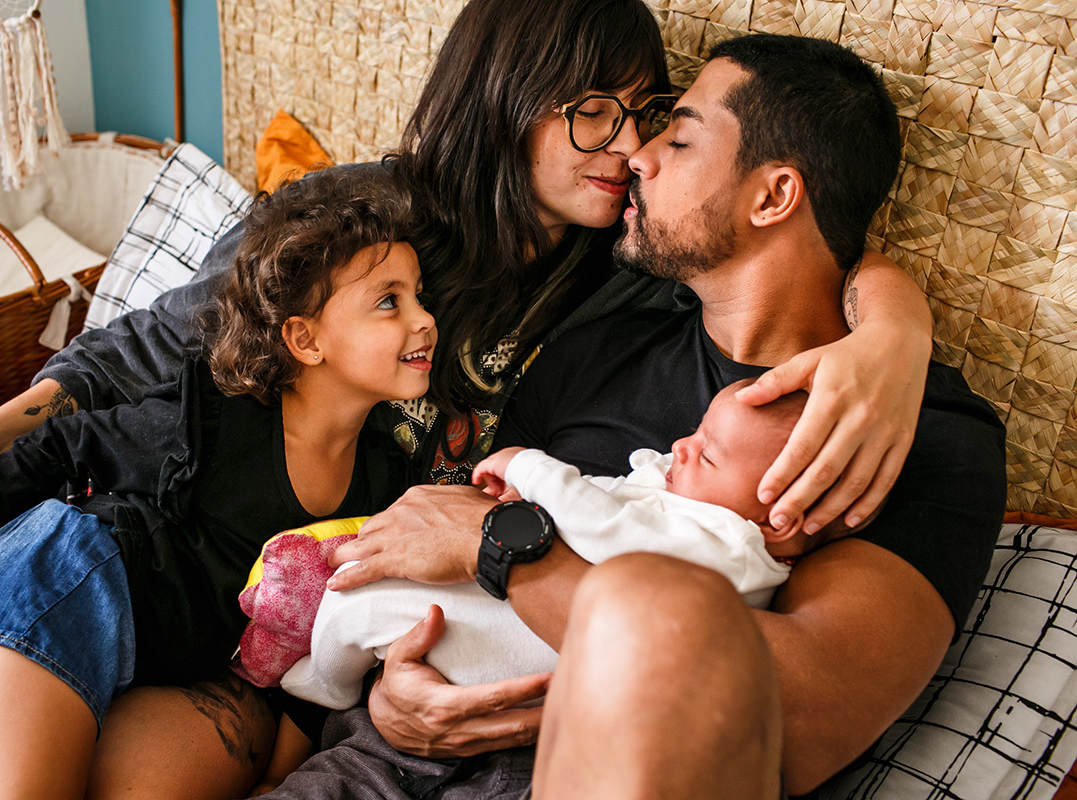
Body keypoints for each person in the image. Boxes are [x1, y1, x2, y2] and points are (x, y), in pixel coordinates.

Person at [0, 0, 934, 793]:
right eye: (594, 114)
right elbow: (156, 340)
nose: (630, 151)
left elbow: (777, 263)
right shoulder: (371, 216)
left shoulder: (623, 278)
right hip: (148, 517)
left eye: (649, 120)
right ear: (508, 102)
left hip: (274, 627)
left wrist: (892, 326)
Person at [283, 33, 1006, 800]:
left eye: (680, 137)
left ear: (772, 196)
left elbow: (804, 712)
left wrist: (498, 548)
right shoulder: (602, 330)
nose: (638, 155)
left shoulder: (923, 434)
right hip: (378, 758)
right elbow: (441, 555)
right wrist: (391, 699)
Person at [0, 169, 434, 799]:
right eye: (390, 301)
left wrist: (283, 767)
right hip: (58, 587)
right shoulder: (213, 417)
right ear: (304, 339)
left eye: (420, 296)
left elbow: (330, 630)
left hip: (138, 655)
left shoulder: (384, 478)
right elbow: (64, 444)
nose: (424, 320)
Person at [248, 382, 846, 713]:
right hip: (523, 618)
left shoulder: (735, 547)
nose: (682, 448)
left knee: (373, 609)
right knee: (393, 583)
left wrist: (535, 473)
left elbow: (614, 532)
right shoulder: (708, 504)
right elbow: (618, 494)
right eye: (696, 434)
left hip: (538, 657)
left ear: (780, 522)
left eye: (708, 454)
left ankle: (326, 679)